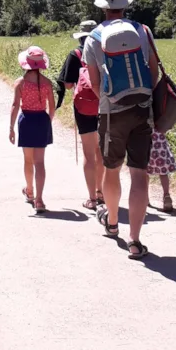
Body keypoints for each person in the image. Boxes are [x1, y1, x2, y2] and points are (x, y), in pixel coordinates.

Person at [83, 0, 160, 259]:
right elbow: (154, 72)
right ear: (125, 4)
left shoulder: (93, 37)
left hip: (111, 113)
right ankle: (136, 241)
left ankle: (112, 224)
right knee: (139, 174)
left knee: (112, 169)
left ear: (103, 6)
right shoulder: (143, 31)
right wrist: (145, 99)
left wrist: (109, 99)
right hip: (142, 109)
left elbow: (93, 83)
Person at [56, 19, 104, 210]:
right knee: (101, 152)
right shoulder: (105, 52)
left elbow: (67, 85)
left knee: (89, 152)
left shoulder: (75, 54)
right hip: (105, 105)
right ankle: (102, 192)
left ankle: (91, 198)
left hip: (83, 108)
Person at [9, 45, 56, 213]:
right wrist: (47, 122)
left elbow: (15, 106)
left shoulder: (20, 83)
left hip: (26, 121)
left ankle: (30, 191)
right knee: (40, 162)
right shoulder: (47, 83)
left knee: (28, 160)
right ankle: (40, 200)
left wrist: (11, 128)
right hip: (41, 120)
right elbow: (52, 107)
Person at [148, 129, 176, 211]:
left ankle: (145, 197)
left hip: (144, 137)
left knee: (143, 171)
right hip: (159, 139)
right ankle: (166, 196)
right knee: (163, 172)